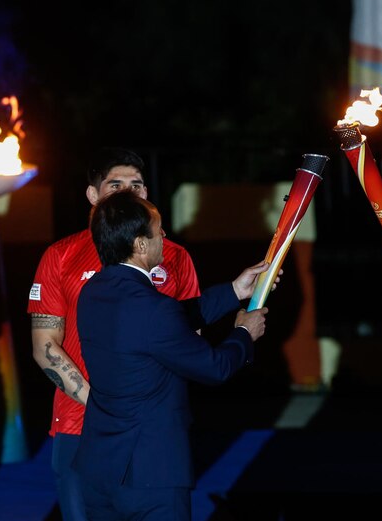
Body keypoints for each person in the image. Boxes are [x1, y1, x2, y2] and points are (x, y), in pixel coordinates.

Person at [72, 189, 271, 520]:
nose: (164, 236)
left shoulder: (93, 293)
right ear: (140, 244)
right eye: (158, 230)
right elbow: (214, 367)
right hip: (150, 475)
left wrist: (235, 290)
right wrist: (243, 334)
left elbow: (163, 326)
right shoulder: (153, 309)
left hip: (100, 468)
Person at [27, 147, 201, 520]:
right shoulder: (61, 256)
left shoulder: (174, 257)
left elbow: (189, 338)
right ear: (93, 195)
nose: (128, 193)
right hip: (79, 423)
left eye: (136, 185)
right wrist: (105, 407)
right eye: (115, 184)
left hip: (151, 429)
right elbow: (45, 347)